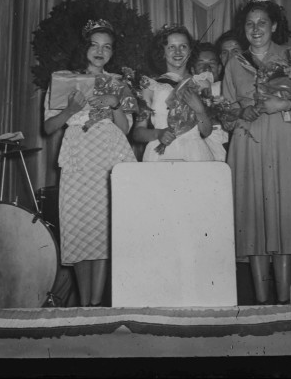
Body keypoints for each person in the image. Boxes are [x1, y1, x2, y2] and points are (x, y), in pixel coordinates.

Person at [222, 0, 291, 305]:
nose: (256, 28)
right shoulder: (233, 63)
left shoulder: (290, 57)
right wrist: (239, 112)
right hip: (248, 143)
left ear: (274, 25)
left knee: (283, 220)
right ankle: (262, 306)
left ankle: (286, 303)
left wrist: (285, 103)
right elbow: (224, 109)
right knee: (255, 223)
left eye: (262, 22)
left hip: (282, 140)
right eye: (250, 23)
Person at [43, 19, 137, 307]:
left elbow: (126, 129)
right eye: (94, 45)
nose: (100, 51)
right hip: (80, 158)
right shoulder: (64, 80)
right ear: (84, 48)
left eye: (107, 47)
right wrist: (71, 108)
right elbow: (48, 127)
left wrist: (116, 104)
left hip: (110, 157)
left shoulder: (119, 83)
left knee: (105, 232)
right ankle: (86, 305)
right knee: (82, 230)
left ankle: (97, 305)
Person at [133, 24, 214, 162]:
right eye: (171, 47)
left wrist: (199, 110)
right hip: (159, 153)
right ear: (162, 52)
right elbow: (137, 132)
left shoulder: (202, 84)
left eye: (183, 46)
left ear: (190, 50)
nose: (178, 52)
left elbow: (206, 131)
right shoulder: (150, 86)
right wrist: (158, 133)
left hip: (194, 154)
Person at [189, 42, 229, 161]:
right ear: (192, 70)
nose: (207, 68)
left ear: (220, 68)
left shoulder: (227, 88)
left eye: (212, 63)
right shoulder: (188, 91)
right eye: (201, 64)